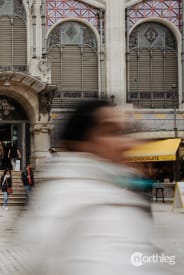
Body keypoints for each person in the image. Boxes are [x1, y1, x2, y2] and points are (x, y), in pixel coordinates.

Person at [18, 100, 166, 275]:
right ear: (81, 144)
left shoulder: (68, 191)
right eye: (111, 132)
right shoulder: (90, 204)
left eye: (124, 132)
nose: (126, 143)